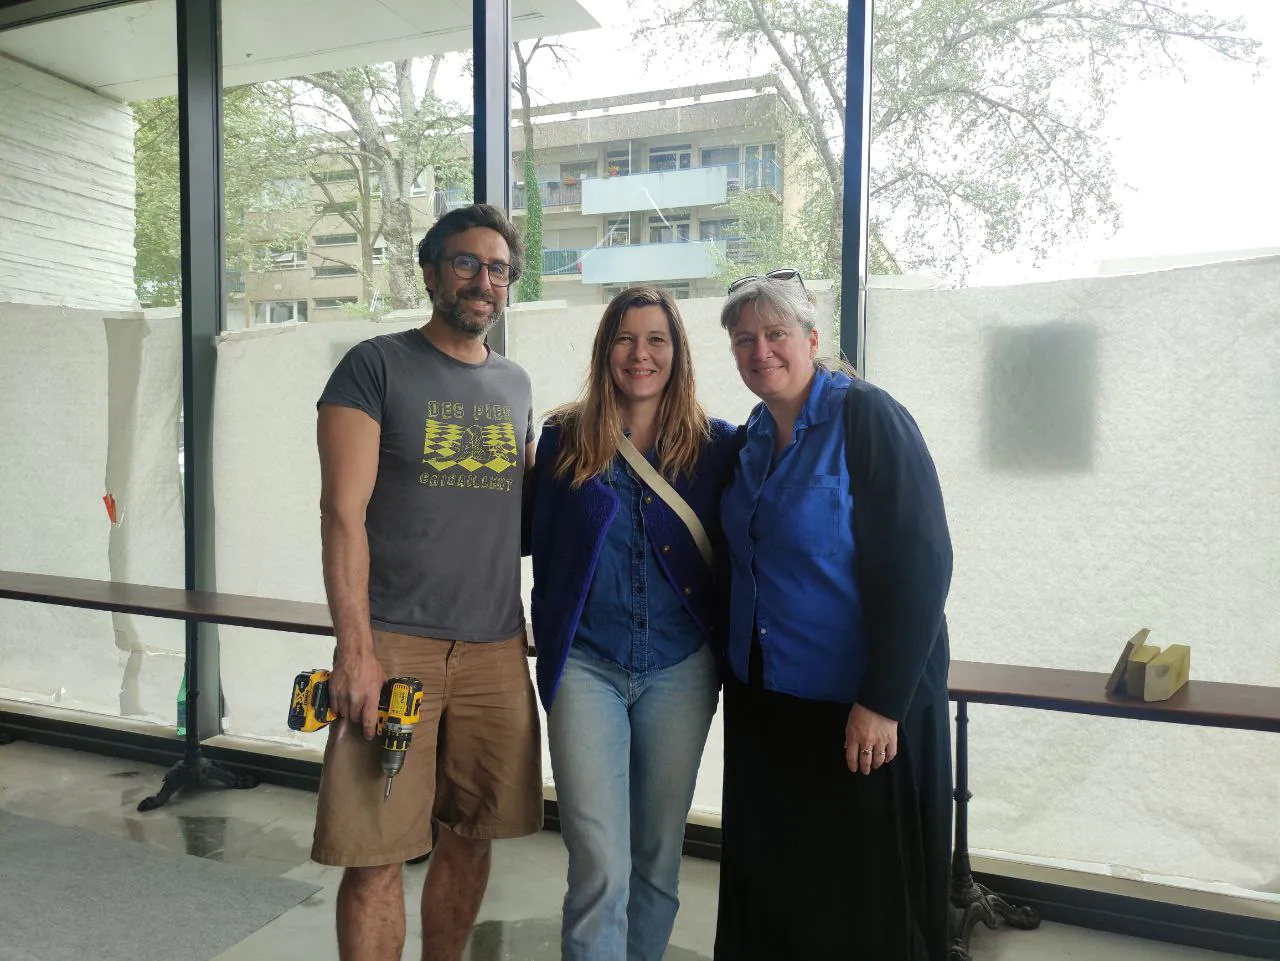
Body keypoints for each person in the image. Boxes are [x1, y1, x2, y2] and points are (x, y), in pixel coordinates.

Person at [312, 203, 543, 961]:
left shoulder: (516, 384)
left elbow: (526, 513)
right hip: (395, 645)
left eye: (498, 269)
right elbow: (342, 514)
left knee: (474, 836)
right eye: (466, 263)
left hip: (495, 647)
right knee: (375, 850)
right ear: (431, 272)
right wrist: (355, 650)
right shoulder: (375, 366)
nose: (483, 281)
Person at [714, 270, 954, 961]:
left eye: (776, 334)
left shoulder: (868, 417)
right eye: (744, 340)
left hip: (857, 709)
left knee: (862, 899)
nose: (761, 351)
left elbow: (924, 562)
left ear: (812, 339)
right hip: (767, 702)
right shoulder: (752, 436)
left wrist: (882, 702)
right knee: (782, 890)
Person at [526, 286, 739, 961]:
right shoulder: (564, 439)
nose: (639, 354)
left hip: (680, 670)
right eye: (625, 337)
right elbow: (530, 539)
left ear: (678, 352)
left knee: (656, 857)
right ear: (604, 349)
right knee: (599, 862)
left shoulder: (716, 446)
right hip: (586, 666)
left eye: (656, 339)